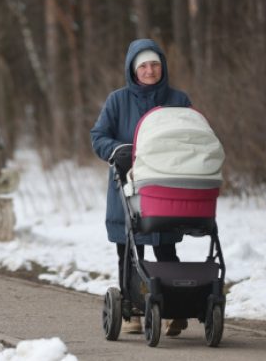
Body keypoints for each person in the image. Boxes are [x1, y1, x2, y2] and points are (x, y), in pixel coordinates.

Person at [90, 38, 190, 336]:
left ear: (163, 67)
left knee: (166, 248)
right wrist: (118, 150)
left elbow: (192, 135)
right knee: (129, 252)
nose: (149, 71)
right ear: (133, 70)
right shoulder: (117, 101)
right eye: (143, 66)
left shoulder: (178, 100)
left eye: (154, 64)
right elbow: (98, 136)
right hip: (127, 187)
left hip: (166, 187)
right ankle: (131, 311)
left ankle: (174, 309)